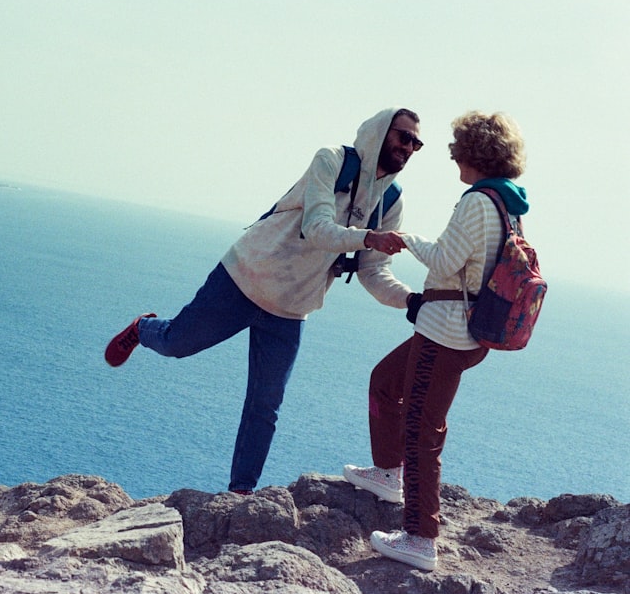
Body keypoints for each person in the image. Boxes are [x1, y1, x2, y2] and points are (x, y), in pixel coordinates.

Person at [105, 108, 422, 494]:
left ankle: (241, 492)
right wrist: (368, 237)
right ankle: (142, 328)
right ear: (380, 131)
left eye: (416, 143)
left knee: (265, 407)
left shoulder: (389, 202)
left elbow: (374, 273)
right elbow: (316, 227)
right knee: (175, 343)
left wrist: (411, 301)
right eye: (403, 136)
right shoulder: (332, 160)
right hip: (246, 276)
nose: (409, 147)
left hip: (291, 307)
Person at [342, 110, 529, 571]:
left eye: (457, 150)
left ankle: (420, 538)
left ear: (474, 153)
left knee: (423, 430)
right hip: (462, 331)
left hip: (444, 332)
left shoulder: (477, 202)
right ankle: (387, 473)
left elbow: (445, 261)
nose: (452, 158)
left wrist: (405, 240)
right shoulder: (508, 206)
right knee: (385, 382)